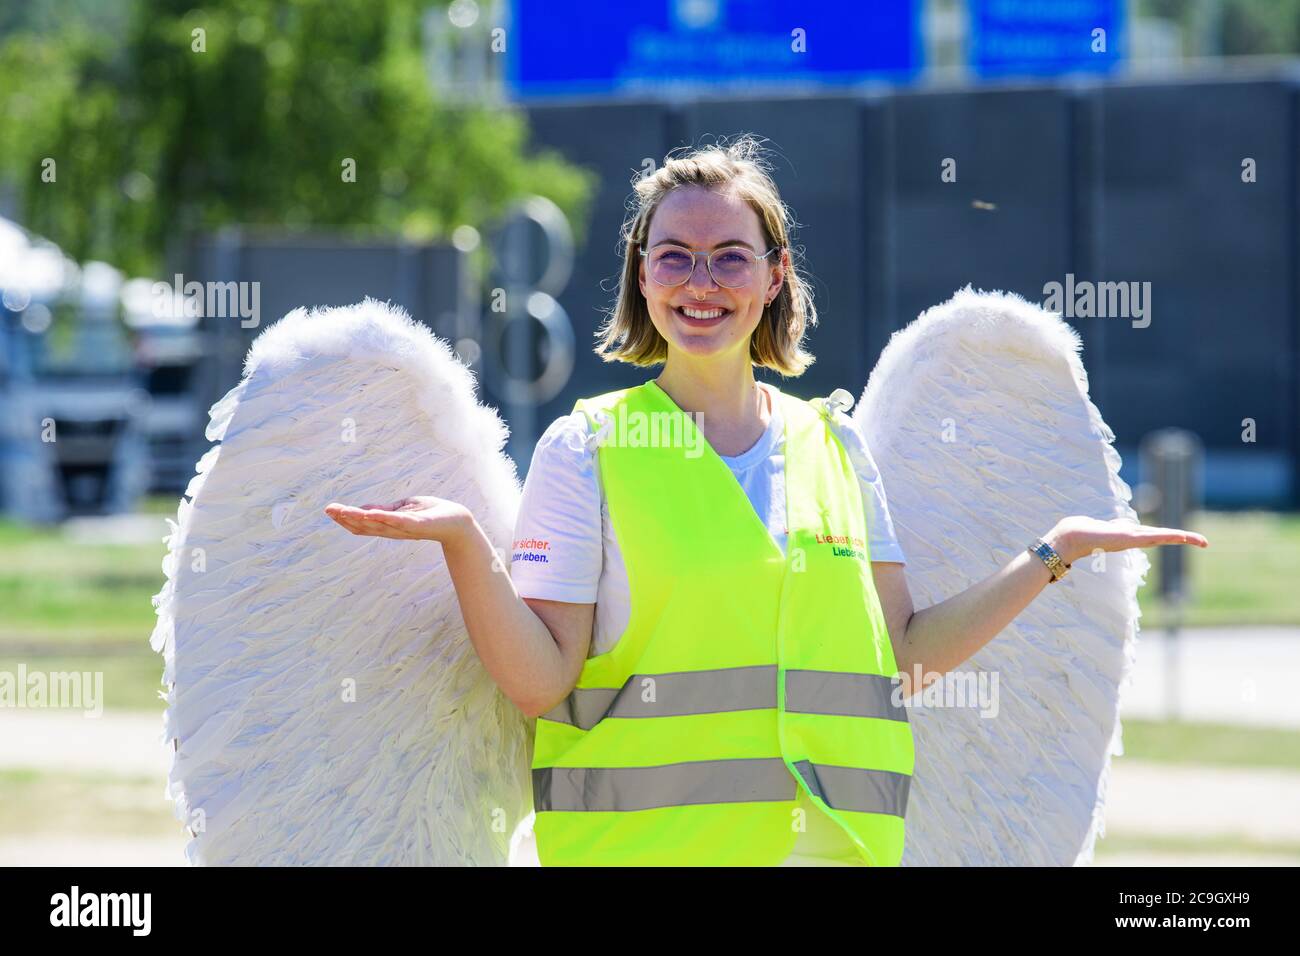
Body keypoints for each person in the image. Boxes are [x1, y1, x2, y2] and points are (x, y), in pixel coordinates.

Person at [323, 136, 1208, 866]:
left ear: (775, 275)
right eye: (673, 255)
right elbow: (541, 680)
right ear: (641, 274)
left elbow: (900, 659)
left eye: (730, 257)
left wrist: (1052, 551)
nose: (700, 281)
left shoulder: (835, 447)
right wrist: (469, 549)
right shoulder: (587, 448)